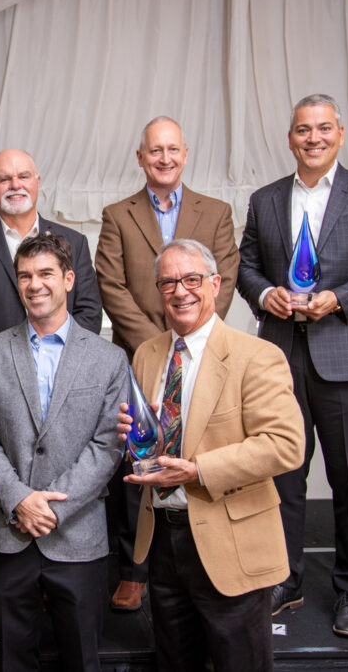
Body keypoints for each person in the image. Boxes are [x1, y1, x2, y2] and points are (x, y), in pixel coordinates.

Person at [237, 93, 348, 637]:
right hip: (280, 357)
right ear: (289, 138)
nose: (312, 138)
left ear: (340, 133)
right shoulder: (265, 199)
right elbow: (245, 266)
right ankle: (284, 579)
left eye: (322, 128)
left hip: (346, 353)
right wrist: (264, 293)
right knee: (282, 476)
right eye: (302, 129)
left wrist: (339, 298)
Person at [119, 239, 304, 671]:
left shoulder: (257, 355)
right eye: (168, 283)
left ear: (215, 284)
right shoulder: (147, 354)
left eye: (191, 279)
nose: (180, 291)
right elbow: (148, 439)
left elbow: (285, 443)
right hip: (163, 540)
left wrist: (197, 470)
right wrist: (129, 436)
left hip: (231, 541)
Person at [0, 147, 103, 632]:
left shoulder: (73, 241)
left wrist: (61, 360)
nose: (14, 184)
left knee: (63, 476)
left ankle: (53, 578)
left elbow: (89, 311)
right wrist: (3, 364)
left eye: (22, 176)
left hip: (65, 383)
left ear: (37, 181)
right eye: (3, 178)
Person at [96, 116, 240, 611]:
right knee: (136, 456)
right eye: (154, 150)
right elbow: (110, 285)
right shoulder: (117, 215)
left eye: (172, 149)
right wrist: (156, 344)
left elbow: (224, 278)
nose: (164, 158)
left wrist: (189, 335)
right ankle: (134, 569)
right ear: (141, 158)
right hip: (139, 357)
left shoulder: (216, 212)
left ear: (185, 154)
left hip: (200, 352)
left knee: (195, 447)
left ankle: (202, 554)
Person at [0, 233, 126, 671]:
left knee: (82, 660)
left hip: (77, 533)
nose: (35, 284)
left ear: (69, 279)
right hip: (8, 532)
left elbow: (109, 443)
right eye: (25, 276)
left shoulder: (109, 358)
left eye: (45, 274)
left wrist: (53, 508)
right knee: (11, 660)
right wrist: (20, 499)